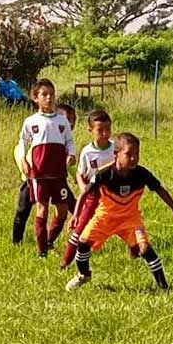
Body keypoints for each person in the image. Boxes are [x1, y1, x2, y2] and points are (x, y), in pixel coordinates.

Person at [67, 133, 173, 291]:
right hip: (105, 217)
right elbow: (85, 192)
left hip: (130, 219)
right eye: (128, 154)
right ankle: (84, 275)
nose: (133, 158)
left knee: (145, 248)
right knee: (83, 243)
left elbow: (160, 190)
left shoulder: (141, 173)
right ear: (116, 154)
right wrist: (76, 215)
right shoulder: (104, 174)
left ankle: (164, 288)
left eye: (136, 154)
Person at [17, 79, 76, 257]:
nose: (49, 98)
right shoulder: (31, 121)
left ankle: (49, 241)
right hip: (40, 174)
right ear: (36, 98)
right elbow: (23, 141)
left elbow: (69, 140)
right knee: (42, 209)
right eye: (44, 94)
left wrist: (71, 154)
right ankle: (42, 251)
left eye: (52, 94)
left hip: (59, 173)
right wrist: (23, 159)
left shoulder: (62, 120)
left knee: (63, 210)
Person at [61, 110, 115, 268]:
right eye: (100, 130)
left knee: (124, 224)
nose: (104, 133)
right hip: (94, 194)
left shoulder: (116, 148)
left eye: (108, 129)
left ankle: (136, 250)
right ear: (90, 130)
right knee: (80, 226)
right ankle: (66, 261)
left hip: (114, 195)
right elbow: (80, 172)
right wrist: (82, 186)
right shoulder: (87, 152)